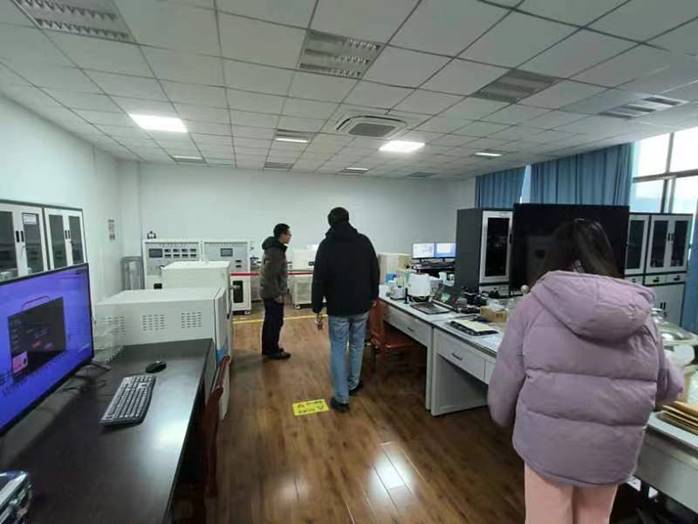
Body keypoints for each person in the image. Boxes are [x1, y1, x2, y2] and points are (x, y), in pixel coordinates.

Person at [488, 219, 684, 524]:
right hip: (611, 450)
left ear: (554, 255)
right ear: (605, 255)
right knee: (595, 519)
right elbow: (667, 387)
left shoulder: (533, 304)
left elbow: (508, 373)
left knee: (546, 519)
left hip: (548, 444)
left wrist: (500, 413)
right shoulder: (640, 313)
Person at [312, 207, 379, 412]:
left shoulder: (326, 245)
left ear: (330, 223)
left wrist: (317, 307)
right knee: (358, 345)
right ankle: (353, 383)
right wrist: (374, 296)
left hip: (338, 307)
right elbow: (374, 270)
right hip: (361, 305)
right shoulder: (364, 241)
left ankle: (342, 398)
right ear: (348, 220)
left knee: (338, 348)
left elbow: (319, 279)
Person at [259, 223, 292, 360]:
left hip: (269, 292)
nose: (290, 236)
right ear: (282, 235)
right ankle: (272, 350)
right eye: (288, 234)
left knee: (271, 321)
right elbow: (270, 276)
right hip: (272, 293)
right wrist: (277, 294)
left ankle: (269, 348)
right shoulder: (276, 252)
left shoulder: (273, 249)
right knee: (275, 322)